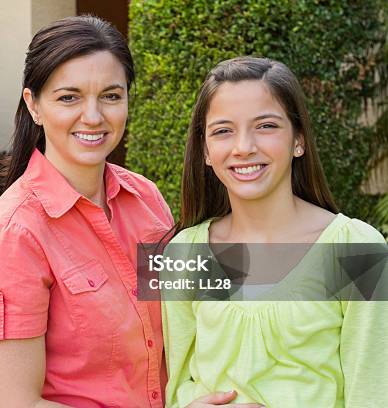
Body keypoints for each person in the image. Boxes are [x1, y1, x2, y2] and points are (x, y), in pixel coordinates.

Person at [0, 15, 176, 407]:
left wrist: (323, 260)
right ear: (34, 105)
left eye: (111, 95)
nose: (93, 117)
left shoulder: (145, 198)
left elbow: (211, 297)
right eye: (69, 97)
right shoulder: (13, 235)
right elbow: (14, 403)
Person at [162, 56, 388, 407]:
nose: (244, 147)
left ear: (298, 140)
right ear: (205, 151)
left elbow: (373, 393)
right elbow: (174, 384)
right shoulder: (183, 252)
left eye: (266, 126)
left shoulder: (357, 248)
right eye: (223, 131)